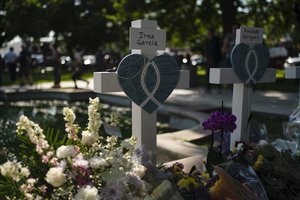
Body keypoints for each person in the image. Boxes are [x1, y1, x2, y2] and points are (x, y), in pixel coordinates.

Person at [205, 28, 222, 92]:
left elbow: (214, 49)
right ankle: (208, 87)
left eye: (209, 32)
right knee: (208, 73)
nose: (208, 34)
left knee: (216, 73)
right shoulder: (208, 40)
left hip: (214, 59)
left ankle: (219, 87)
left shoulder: (215, 40)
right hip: (209, 58)